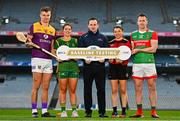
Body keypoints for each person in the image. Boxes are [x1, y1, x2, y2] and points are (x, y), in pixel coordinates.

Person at [27, 6, 56, 118]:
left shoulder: (53, 29)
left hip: (48, 60)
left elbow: (52, 47)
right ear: (40, 15)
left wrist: (55, 56)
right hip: (37, 59)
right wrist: (29, 42)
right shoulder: (34, 26)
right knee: (36, 86)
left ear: (50, 16)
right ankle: (34, 110)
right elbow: (28, 42)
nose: (45, 17)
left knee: (46, 87)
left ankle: (44, 111)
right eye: (44, 15)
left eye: (48, 15)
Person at [130, 13, 159, 118]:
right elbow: (132, 50)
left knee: (152, 87)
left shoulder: (153, 33)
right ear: (137, 22)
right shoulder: (133, 34)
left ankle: (153, 112)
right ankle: (139, 112)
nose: (142, 22)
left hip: (149, 63)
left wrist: (140, 49)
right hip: (137, 64)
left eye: (143, 20)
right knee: (138, 88)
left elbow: (154, 49)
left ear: (147, 22)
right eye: (140, 20)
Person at [78, 17, 108, 118]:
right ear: (88, 25)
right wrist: (84, 59)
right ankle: (88, 111)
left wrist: (104, 59)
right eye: (91, 24)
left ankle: (102, 112)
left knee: (101, 90)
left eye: (94, 24)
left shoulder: (103, 38)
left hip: (100, 67)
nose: (93, 26)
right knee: (87, 90)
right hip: (88, 67)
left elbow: (108, 53)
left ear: (98, 25)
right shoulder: (83, 37)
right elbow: (79, 52)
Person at [53, 23, 79, 117]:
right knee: (62, 90)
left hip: (73, 67)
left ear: (71, 31)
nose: (67, 31)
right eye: (66, 29)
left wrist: (76, 57)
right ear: (63, 30)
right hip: (62, 67)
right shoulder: (58, 41)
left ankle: (74, 111)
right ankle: (63, 111)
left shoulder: (75, 41)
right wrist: (57, 57)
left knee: (72, 90)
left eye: (69, 29)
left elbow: (78, 54)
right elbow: (54, 52)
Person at [108, 26, 131, 118]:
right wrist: (109, 59)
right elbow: (107, 54)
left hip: (122, 67)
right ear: (113, 33)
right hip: (112, 68)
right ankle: (114, 111)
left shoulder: (126, 42)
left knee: (123, 90)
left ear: (122, 32)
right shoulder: (110, 43)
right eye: (115, 31)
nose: (117, 33)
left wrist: (122, 60)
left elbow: (128, 54)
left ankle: (124, 111)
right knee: (114, 90)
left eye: (119, 31)